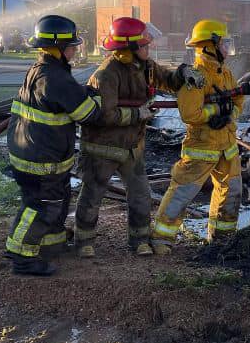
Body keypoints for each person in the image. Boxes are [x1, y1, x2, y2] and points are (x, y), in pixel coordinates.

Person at [75, 17, 204, 258]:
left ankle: (140, 240)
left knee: (141, 195)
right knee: (92, 195)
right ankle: (84, 242)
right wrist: (138, 113)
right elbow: (104, 115)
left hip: (132, 147)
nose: (149, 47)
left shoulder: (145, 66)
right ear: (130, 48)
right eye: (144, 45)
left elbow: (166, 79)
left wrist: (183, 73)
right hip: (102, 148)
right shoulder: (106, 75)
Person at [5, 15, 101, 276]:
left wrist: (80, 92)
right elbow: (88, 114)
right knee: (42, 206)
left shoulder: (41, 70)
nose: (75, 50)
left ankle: (50, 245)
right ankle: (22, 258)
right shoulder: (55, 77)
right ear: (58, 47)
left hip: (31, 152)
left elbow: (60, 98)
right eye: (72, 46)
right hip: (42, 159)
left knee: (50, 201)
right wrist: (98, 100)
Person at [152, 19, 245, 254]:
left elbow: (238, 101)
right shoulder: (195, 77)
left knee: (231, 191)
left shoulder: (225, 73)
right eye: (224, 44)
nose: (227, 48)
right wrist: (214, 111)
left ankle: (222, 239)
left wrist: (229, 114)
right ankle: (162, 238)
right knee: (183, 191)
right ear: (209, 46)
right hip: (202, 146)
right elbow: (189, 113)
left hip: (227, 146)